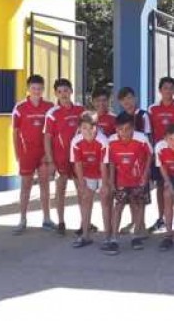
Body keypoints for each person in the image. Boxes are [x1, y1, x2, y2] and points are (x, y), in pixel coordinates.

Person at [102, 112, 152, 255]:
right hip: (121, 180)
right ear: (116, 129)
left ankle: (136, 236)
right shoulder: (111, 141)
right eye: (120, 129)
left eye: (127, 129)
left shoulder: (141, 139)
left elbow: (149, 155)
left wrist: (145, 174)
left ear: (133, 128)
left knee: (138, 206)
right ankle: (114, 239)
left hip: (138, 180)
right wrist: (111, 180)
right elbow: (111, 161)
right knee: (118, 207)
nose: (124, 132)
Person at [11, 74, 55, 234]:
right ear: (28, 89)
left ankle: (47, 219)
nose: (36, 91)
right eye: (33, 88)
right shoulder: (20, 108)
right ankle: (22, 219)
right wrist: (17, 154)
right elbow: (15, 133)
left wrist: (50, 155)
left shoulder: (49, 107)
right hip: (26, 154)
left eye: (39, 88)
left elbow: (53, 133)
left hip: (43, 154)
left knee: (45, 186)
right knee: (25, 187)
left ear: (43, 89)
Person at [43, 78, 86, 235]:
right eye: (60, 92)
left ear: (71, 91)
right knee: (60, 190)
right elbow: (47, 138)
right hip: (60, 158)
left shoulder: (81, 110)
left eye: (66, 91)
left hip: (78, 158)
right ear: (55, 93)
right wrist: (50, 160)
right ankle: (61, 222)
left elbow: (87, 131)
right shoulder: (52, 113)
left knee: (81, 190)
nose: (63, 94)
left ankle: (84, 223)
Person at [147, 78, 174, 233]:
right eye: (165, 88)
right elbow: (149, 131)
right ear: (160, 90)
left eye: (171, 88)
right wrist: (153, 153)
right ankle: (161, 218)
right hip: (160, 154)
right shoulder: (152, 109)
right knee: (160, 186)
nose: (168, 91)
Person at [70, 113, 109, 248]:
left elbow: (104, 164)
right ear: (79, 128)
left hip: (103, 173)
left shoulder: (102, 141)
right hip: (87, 174)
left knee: (105, 203)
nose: (87, 131)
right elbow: (78, 163)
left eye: (90, 128)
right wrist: (81, 184)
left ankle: (108, 237)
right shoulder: (76, 141)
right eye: (84, 128)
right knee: (86, 202)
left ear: (95, 128)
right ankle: (85, 235)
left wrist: (104, 185)